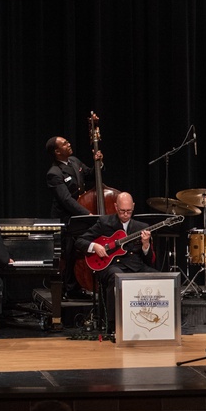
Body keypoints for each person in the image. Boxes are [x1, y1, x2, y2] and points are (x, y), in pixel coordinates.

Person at [75, 192, 157, 333]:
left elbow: (150, 260)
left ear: (133, 207)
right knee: (117, 277)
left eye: (128, 211)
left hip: (135, 265)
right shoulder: (104, 222)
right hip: (111, 266)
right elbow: (80, 241)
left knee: (158, 277)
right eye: (122, 211)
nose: (125, 214)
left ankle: (155, 322)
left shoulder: (142, 227)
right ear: (115, 207)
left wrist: (145, 245)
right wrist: (95, 247)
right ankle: (113, 326)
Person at [45, 136, 100, 300]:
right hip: (66, 219)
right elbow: (66, 200)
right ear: (57, 151)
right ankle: (68, 289)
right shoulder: (54, 173)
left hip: (80, 215)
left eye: (68, 142)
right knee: (68, 254)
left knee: (80, 251)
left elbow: (90, 174)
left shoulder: (74, 161)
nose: (69, 144)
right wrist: (87, 213)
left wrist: (98, 163)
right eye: (64, 144)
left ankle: (79, 286)